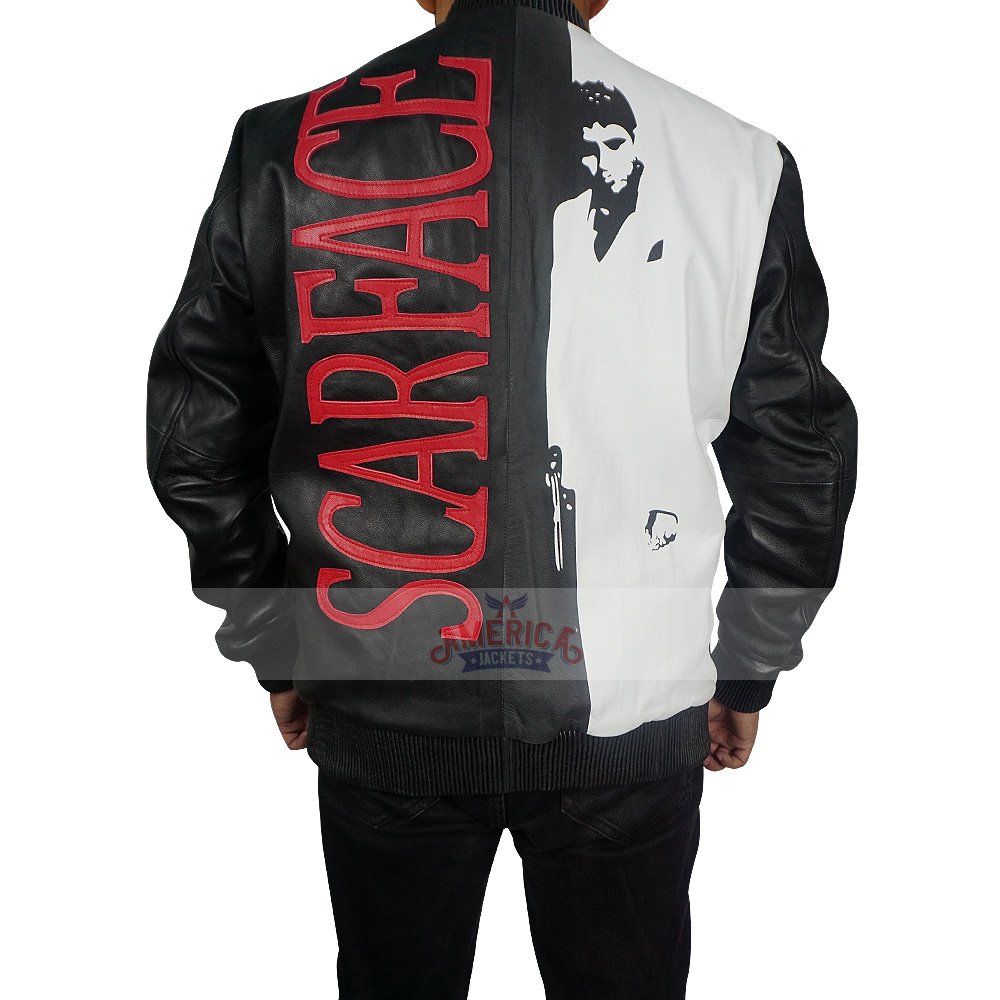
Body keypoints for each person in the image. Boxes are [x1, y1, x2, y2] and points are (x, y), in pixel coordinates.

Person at [145, 0, 858, 996]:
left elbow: (198, 439)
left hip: (383, 690)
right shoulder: (735, 163)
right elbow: (797, 454)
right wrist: (747, 665)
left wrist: (279, 640)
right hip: (630, 711)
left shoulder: (282, 152)